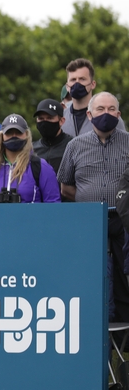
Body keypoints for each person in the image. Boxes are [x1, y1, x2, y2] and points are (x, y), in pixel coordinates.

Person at [58, 92, 129, 322]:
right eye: (100, 109)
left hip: (124, 219)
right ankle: (91, 327)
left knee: (124, 277)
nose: (106, 114)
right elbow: (65, 186)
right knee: (89, 276)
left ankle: (123, 339)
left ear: (118, 115)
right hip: (89, 219)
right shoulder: (75, 146)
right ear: (89, 114)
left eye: (111, 110)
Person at [0, 114, 61, 204]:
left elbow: (53, 204)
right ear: (2, 136)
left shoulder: (40, 166)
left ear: (26, 135)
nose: (14, 136)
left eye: (18, 132)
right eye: (9, 132)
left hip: (30, 219)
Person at [62, 58, 126, 138]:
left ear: (93, 84)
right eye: (73, 80)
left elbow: (124, 145)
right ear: (67, 86)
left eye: (82, 79)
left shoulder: (109, 116)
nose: (77, 83)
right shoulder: (61, 118)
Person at [32, 99, 73, 174]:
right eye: (41, 118)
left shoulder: (72, 146)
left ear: (61, 121)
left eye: (50, 118)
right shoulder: (31, 149)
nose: (44, 122)